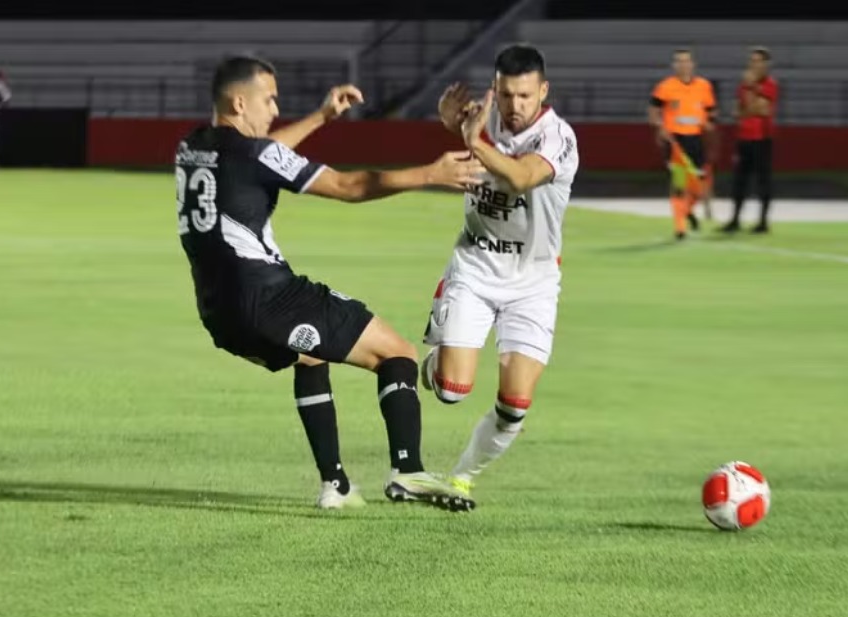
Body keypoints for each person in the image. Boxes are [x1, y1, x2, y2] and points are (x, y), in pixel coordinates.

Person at [176, 56, 483, 511]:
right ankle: (409, 471)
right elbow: (348, 185)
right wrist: (431, 174)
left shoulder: (191, 148)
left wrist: (320, 118)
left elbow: (261, 154)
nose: (275, 109)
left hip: (220, 314)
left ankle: (335, 486)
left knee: (309, 356)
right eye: (269, 99)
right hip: (270, 297)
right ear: (240, 102)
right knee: (396, 353)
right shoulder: (254, 154)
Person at [427, 44, 579, 498]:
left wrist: (470, 139)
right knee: (451, 390)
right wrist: (449, 117)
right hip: (475, 266)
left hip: (532, 282)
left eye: (526, 96)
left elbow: (520, 177)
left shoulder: (559, 138)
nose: (515, 106)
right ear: (496, 89)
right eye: (507, 95)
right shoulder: (483, 119)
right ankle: (438, 353)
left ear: (543, 91)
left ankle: (462, 477)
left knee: (514, 405)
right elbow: (458, 121)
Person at [647, 49, 717, 240]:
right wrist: (660, 127)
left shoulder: (704, 86)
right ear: (674, 65)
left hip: (696, 139)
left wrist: (710, 124)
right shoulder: (665, 87)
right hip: (675, 140)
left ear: (692, 64)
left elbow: (711, 111)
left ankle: (687, 211)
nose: (683, 64)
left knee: (699, 185)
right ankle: (680, 227)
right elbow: (653, 110)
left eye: (686, 61)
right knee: (679, 183)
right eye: (679, 61)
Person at [721, 47, 779, 234]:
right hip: (743, 138)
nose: (753, 64)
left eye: (758, 61)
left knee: (763, 181)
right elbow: (737, 112)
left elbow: (763, 110)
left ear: (766, 64)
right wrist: (749, 106)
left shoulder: (770, 84)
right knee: (739, 180)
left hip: (762, 138)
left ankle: (763, 222)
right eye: (752, 61)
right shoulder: (743, 86)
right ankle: (735, 219)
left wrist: (752, 91)